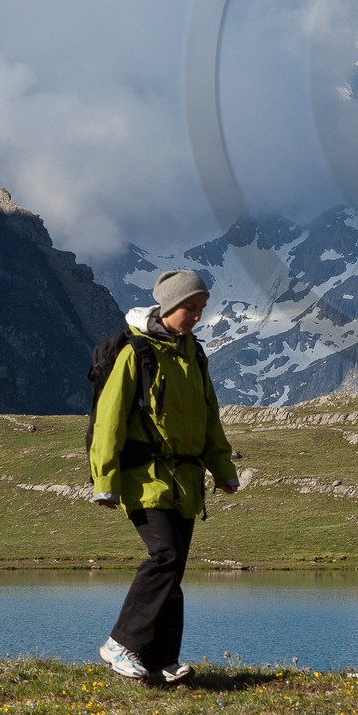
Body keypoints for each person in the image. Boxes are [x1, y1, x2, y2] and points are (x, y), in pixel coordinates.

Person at [90, 268, 239, 681]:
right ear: (170, 305)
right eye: (191, 307)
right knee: (166, 557)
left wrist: (222, 469)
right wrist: (105, 482)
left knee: (174, 568)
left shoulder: (195, 356)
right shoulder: (137, 353)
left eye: (201, 308)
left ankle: (160, 662)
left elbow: (209, 419)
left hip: (185, 483)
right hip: (145, 478)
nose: (197, 316)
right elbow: (108, 421)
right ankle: (120, 643)